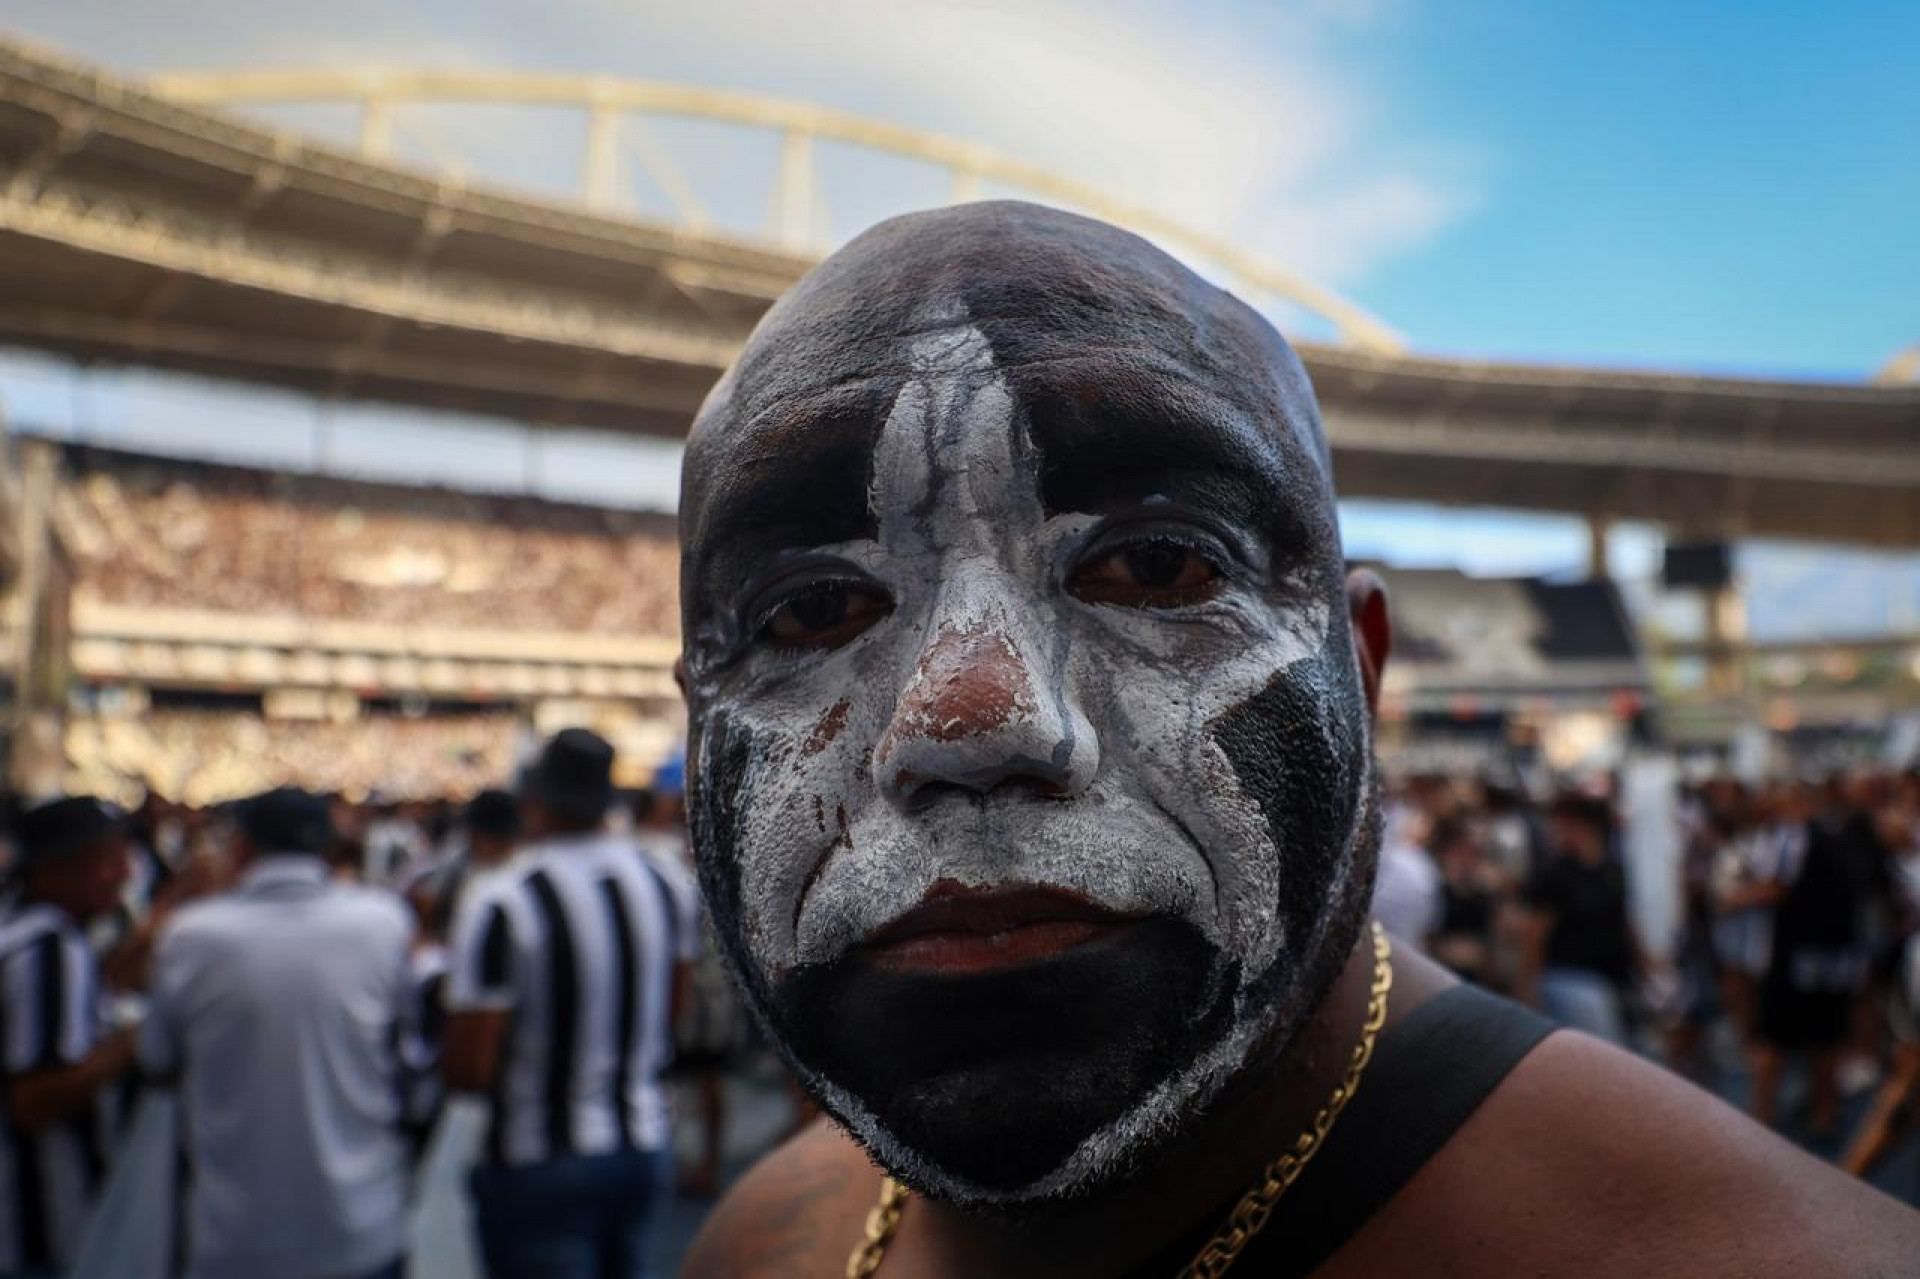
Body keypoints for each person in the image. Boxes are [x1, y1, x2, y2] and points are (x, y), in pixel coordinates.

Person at [673, 201, 1920, 1277]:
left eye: (1155, 564)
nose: (971, 720)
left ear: (1360, 667)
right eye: (813, 608)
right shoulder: (767, 1241)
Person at [443, 729, 694, 1278]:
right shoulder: (663, 881)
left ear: (534, 804)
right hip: (643, 1138)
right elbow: (673, 1009)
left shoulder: (502, 898)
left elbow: (469, 1068)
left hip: (537, 1158)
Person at [140, 788, 414, 1279]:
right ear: (329, 847)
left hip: (234, 1235)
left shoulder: (191, 937)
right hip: (360, 1223)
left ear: (240, 847)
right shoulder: (383, 923)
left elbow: (157, 1061)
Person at [0, 797, 137, 1277]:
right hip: (40, 1231)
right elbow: (34, 1100)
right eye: (107, 859)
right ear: (55, 870)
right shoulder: (48, 948)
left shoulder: (27, 932)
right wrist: (132, 1044)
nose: (123, 873)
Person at [1518, 793, 1640, 1045]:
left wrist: (1646, 966)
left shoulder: (1612, 870)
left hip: (1613, 978)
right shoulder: (1555, 874)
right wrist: (1528, 989)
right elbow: (1535, 933)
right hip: (1572, 977)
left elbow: (1623, 920)